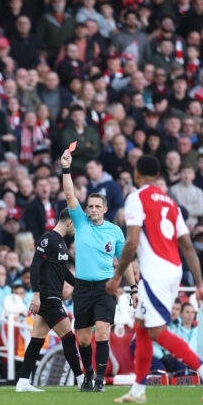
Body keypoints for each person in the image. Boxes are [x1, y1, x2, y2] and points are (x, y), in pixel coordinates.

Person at [106, 155, 203, 404]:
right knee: (142, 327)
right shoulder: (170, 202)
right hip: (174, 270)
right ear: (158, 176)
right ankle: (138, 391)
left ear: (137, 174)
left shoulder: (136, 197)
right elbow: (188, 246)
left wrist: (117, 278)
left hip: (155, 273)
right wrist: (199, 284)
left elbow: (132, 241)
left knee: (157, 331)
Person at [61, 146, 136, 392]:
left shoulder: (114, 231)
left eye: (96, 206)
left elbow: (124, 261)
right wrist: (66, 168)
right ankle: (88, 375)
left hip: (105, 287)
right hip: (82, 287)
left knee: (102, 330)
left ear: (105, 209)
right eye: (89, 206)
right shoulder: (80, 222)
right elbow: (70, 195)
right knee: (83, 337)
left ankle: (101, 380)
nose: (92, 209)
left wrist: (133, 288)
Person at [15, 208, 86, 393]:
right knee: (69, 337)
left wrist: (82, 286)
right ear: (69, 222)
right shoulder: (48, 239)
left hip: (52, 296)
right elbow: (35, 267)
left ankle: (22, 382)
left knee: (37, 340)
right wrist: (36, 294)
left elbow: (63, 273)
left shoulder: (61, 243)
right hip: (48, 297)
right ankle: (81, 379)